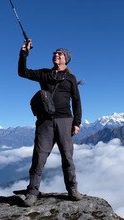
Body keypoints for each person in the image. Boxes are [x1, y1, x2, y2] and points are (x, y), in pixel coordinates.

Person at [17, 39, 82, 206]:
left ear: (66, 59)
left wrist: (77, 122)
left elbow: (76, 101)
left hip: (65, 121)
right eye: (54, 53)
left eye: (59, 53)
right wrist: (24, 53)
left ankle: (72, 189)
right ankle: (32, 192)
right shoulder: (45, 73)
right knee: (39, 156)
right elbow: (22, 72)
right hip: (45, 121)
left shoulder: (71, 78)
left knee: (67, 157)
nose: (56, 54)